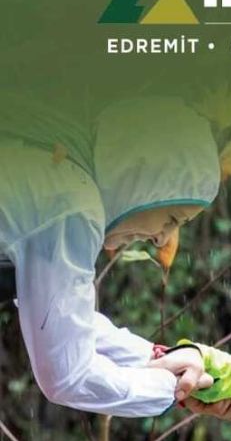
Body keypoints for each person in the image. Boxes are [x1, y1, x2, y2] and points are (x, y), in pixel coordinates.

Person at [0, 96, 218, 415]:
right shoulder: (71, 203)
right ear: (146, 182)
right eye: (172, 218)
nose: (162, 239)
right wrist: (172, 389)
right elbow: (67, 377)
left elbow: (65, 318)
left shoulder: (52, 171)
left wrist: (154, 357)